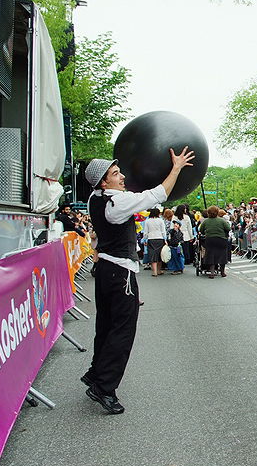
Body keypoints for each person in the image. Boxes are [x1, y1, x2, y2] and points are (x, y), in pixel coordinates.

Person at [83, 147, 195, 414]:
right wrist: (176, 168)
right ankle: (104, 387)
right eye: (115, 174)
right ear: (103, 182)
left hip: (106, 270)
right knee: (122, 331)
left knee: (106, 326)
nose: (122, 176)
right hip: (120, 272)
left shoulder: (94, 199)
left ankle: (95, 373)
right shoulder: (118, 203)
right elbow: (158, 194)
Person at [199, 205, 231, 278]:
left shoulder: (206, 221)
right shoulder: (222, 220)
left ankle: (212, 272)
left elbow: (201, 230)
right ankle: (222, 272)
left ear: (208, 213)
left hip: (210, 240)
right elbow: (228, 228)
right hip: (221, 240)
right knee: (222, 255)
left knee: (211, 255)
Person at [143, 208, 167, 277]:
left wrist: (145, 240)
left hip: (151, 239)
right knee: (160, 255)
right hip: (160, 238)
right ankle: (159, 270)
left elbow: (145, 231)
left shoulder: (147, 221)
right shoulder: (161, 220)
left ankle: (154, 272)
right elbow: (163, 231)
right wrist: (165, 239)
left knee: (152, 255)